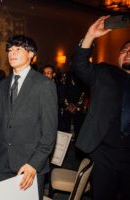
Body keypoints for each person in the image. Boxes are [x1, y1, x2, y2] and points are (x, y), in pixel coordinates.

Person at [0, 35, 58, 200]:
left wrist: (34, 164)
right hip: (1, 162)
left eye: (18, 49)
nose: (12, 53)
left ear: (31, 54)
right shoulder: (2, 85)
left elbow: (49, 132)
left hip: (28, 165)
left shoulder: (44, 85)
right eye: (10, 50)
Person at [72, 16, 130, 200]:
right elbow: (80, 65)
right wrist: (90, 35)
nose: (127, 53)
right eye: (124, 50)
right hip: (104, 154)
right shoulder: (105, 73)